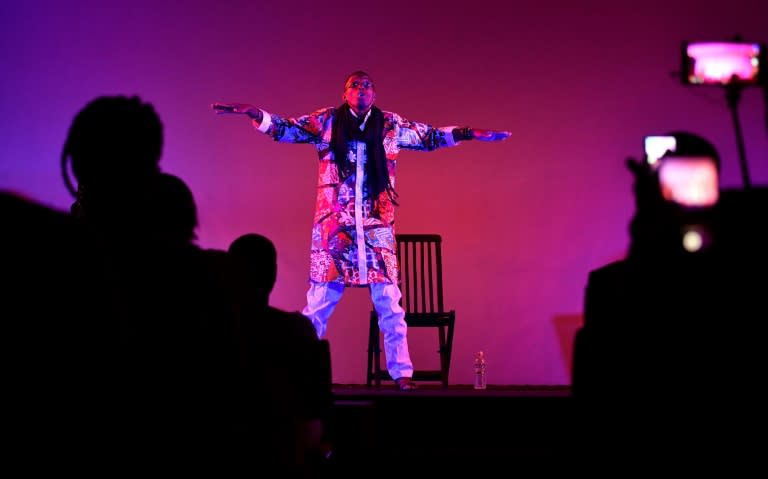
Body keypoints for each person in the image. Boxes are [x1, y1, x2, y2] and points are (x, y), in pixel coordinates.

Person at [212, 70, 511, 390]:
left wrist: (467, 133)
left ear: (375, 94)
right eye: (355, 85)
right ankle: (297, 372)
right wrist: (257, 114)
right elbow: (289, 129)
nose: (362, 90)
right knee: (317, 308)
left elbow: (429, 137)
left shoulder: (390, 125)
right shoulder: (327, 122)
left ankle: (402, 375)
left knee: (391, 306)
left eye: (368, 85)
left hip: (376, 231)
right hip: (335, 230)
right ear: (345, 94)